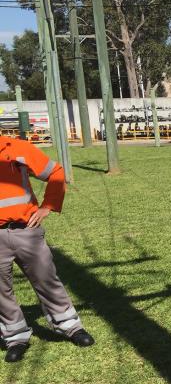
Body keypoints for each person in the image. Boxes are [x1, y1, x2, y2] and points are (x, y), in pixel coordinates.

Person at [0, 135, 94, 363]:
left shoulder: (15, 148)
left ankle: (69, 325)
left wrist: (48, 206)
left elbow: (55, 172)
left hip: (26, 230)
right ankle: (15, 336)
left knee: (46, 278)